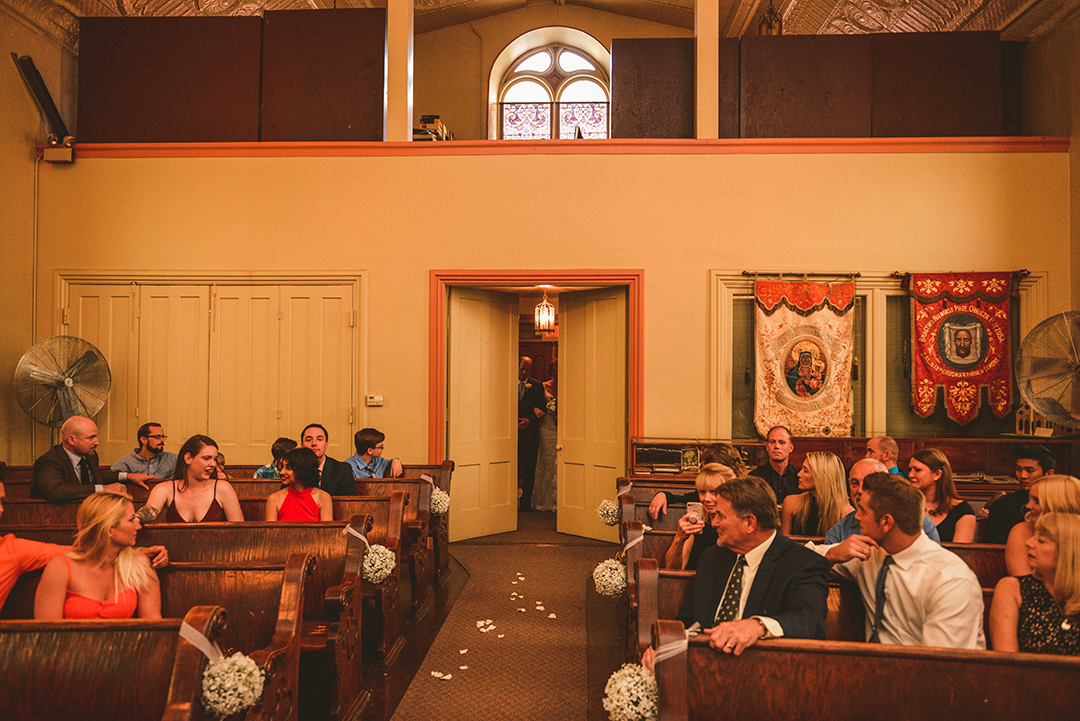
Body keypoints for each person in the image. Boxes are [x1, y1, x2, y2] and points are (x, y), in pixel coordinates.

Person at [641, 476, 831, 669]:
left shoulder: (801, 563)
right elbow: (690, 619)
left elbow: (810, 621)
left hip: (761, 672)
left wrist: (758, 626)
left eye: (721, 516)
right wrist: (663, 643)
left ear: (750, 523)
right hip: (702, 665)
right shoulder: (713, 556)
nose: (713, 523)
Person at [814, 471, 985, 649]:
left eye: (863, 511)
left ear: (886, 522)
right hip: (872, 664)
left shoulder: (950, 580)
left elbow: (941, 665)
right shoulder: (868, 554)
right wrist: (832, 554)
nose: (856, 517)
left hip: (921, 669)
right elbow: (798, 558)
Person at [0, 481, 166, 608]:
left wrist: (136, 552)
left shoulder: (12, 549)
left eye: (1, 502)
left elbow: (88, 551)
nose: (1, 510)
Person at [34, 491, 161, 619]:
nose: (138, 526)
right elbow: (46, 632)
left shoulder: (140, 564)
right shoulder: (60, 567)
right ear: (109, 528)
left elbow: (153, 624)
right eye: (131, 519)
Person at [991, 512, 1080, 655]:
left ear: (1067, 551)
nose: (1028, 542)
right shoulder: (1013, 589)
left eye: (1041, 540)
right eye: (1034, 536)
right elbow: (1006, 664)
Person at [31, 415, 152, 502]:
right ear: (71, 440)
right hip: (55, 517)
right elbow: (56, 491)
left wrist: (128, 476)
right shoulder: (49, 461)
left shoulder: (90, 455)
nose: (97, 442)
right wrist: (103, 489)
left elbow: (95, 475)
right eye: (91, 438)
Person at [825, 458, 941, 545]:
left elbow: (935, 566)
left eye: (867, 483)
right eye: (855, 483)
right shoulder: (839, 531)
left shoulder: (920, 523)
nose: (860, 490)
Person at [136, 434, 244, 523]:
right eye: (207, 458)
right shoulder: (166, 489)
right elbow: (150, 510)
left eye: (214, 459)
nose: (213, 464)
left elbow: (238, 530)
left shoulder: (222, 488)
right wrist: (135, 520)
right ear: (188, 458)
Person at [648, 442, 748, 520]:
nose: (701, 473)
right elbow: (685, 498)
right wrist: (663, 495)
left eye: (705, 469)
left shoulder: (744, 504)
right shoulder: (705, 497)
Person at [663, 463, 736, 570]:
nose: (706, 498)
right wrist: (680, 538)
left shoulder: (736, 525)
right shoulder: (698, 522)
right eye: (702, 492)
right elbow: (672, 568)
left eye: (714, 492)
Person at [1004, 475, 1080, 576]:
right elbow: (1023, 583)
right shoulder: (1022, 531)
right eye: (1029, 499)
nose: (1028, 506)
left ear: (1058, 504)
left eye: (1036, 501)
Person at [984, 444, 1055, 544]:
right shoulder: (1003, 505)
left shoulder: (1058, 503)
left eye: (1030, 471)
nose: (1022, 475)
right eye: (1018, 469)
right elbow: (997, 548)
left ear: (1049, 474)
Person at [908, 448, 975, 543]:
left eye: (917, 470)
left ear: (937, 474)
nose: (911, 475)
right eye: (910, 469)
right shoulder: (905, 505)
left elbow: (960, 552)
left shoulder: (962, 511)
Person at [781, 451, 852, 537]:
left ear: (821, 476)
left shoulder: (846, 512)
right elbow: (783, 544)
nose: (799, 474)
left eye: (805, 471)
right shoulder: (790, 503)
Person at [265, 447, 334, 521]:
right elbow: (271, 532)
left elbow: (327, 531)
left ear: (302, 469)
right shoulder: (274, 499)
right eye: (282, 467)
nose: (281, 472)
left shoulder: (323, 497)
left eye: (288, 468)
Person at [517, 356, 546, 511]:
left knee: (529, 469)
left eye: (527, 370)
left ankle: (526, 502)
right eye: (522, 368)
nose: (524, 372)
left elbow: (543, 408)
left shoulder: (536, 386)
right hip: (509, 435)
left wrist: (529, 420)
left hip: (529, 435)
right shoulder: (506, 382)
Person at [301, 423, 357, 496]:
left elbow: (348, 502)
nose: (314, 443)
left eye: (319, 439)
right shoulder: (294, 469)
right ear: (302, 446)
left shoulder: (342, 469)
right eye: (309, 440)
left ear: (326, 444)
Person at [532, 364, 558, 512]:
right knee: (548, 459)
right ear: (550, 372)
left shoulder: (569, 384)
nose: (557, 373)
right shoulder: (543, 386)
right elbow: (536, 403)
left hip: (561, 428)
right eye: (554, 370)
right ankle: (545, 498)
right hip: (546, 426)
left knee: (559, 461)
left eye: (559, 369)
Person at [110, 422, 178, 480]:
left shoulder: (172, 459)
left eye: (163, 436)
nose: (162, 440)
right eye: (157, 436)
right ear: (143, 440)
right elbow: (109, 478)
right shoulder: (125, 463)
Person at [751, 426, 800, 505]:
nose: (776, 446)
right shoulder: (755, 478)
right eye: (772, 442)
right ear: (767, 447)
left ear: (790, 448)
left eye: (782, 442)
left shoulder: (800, 478)